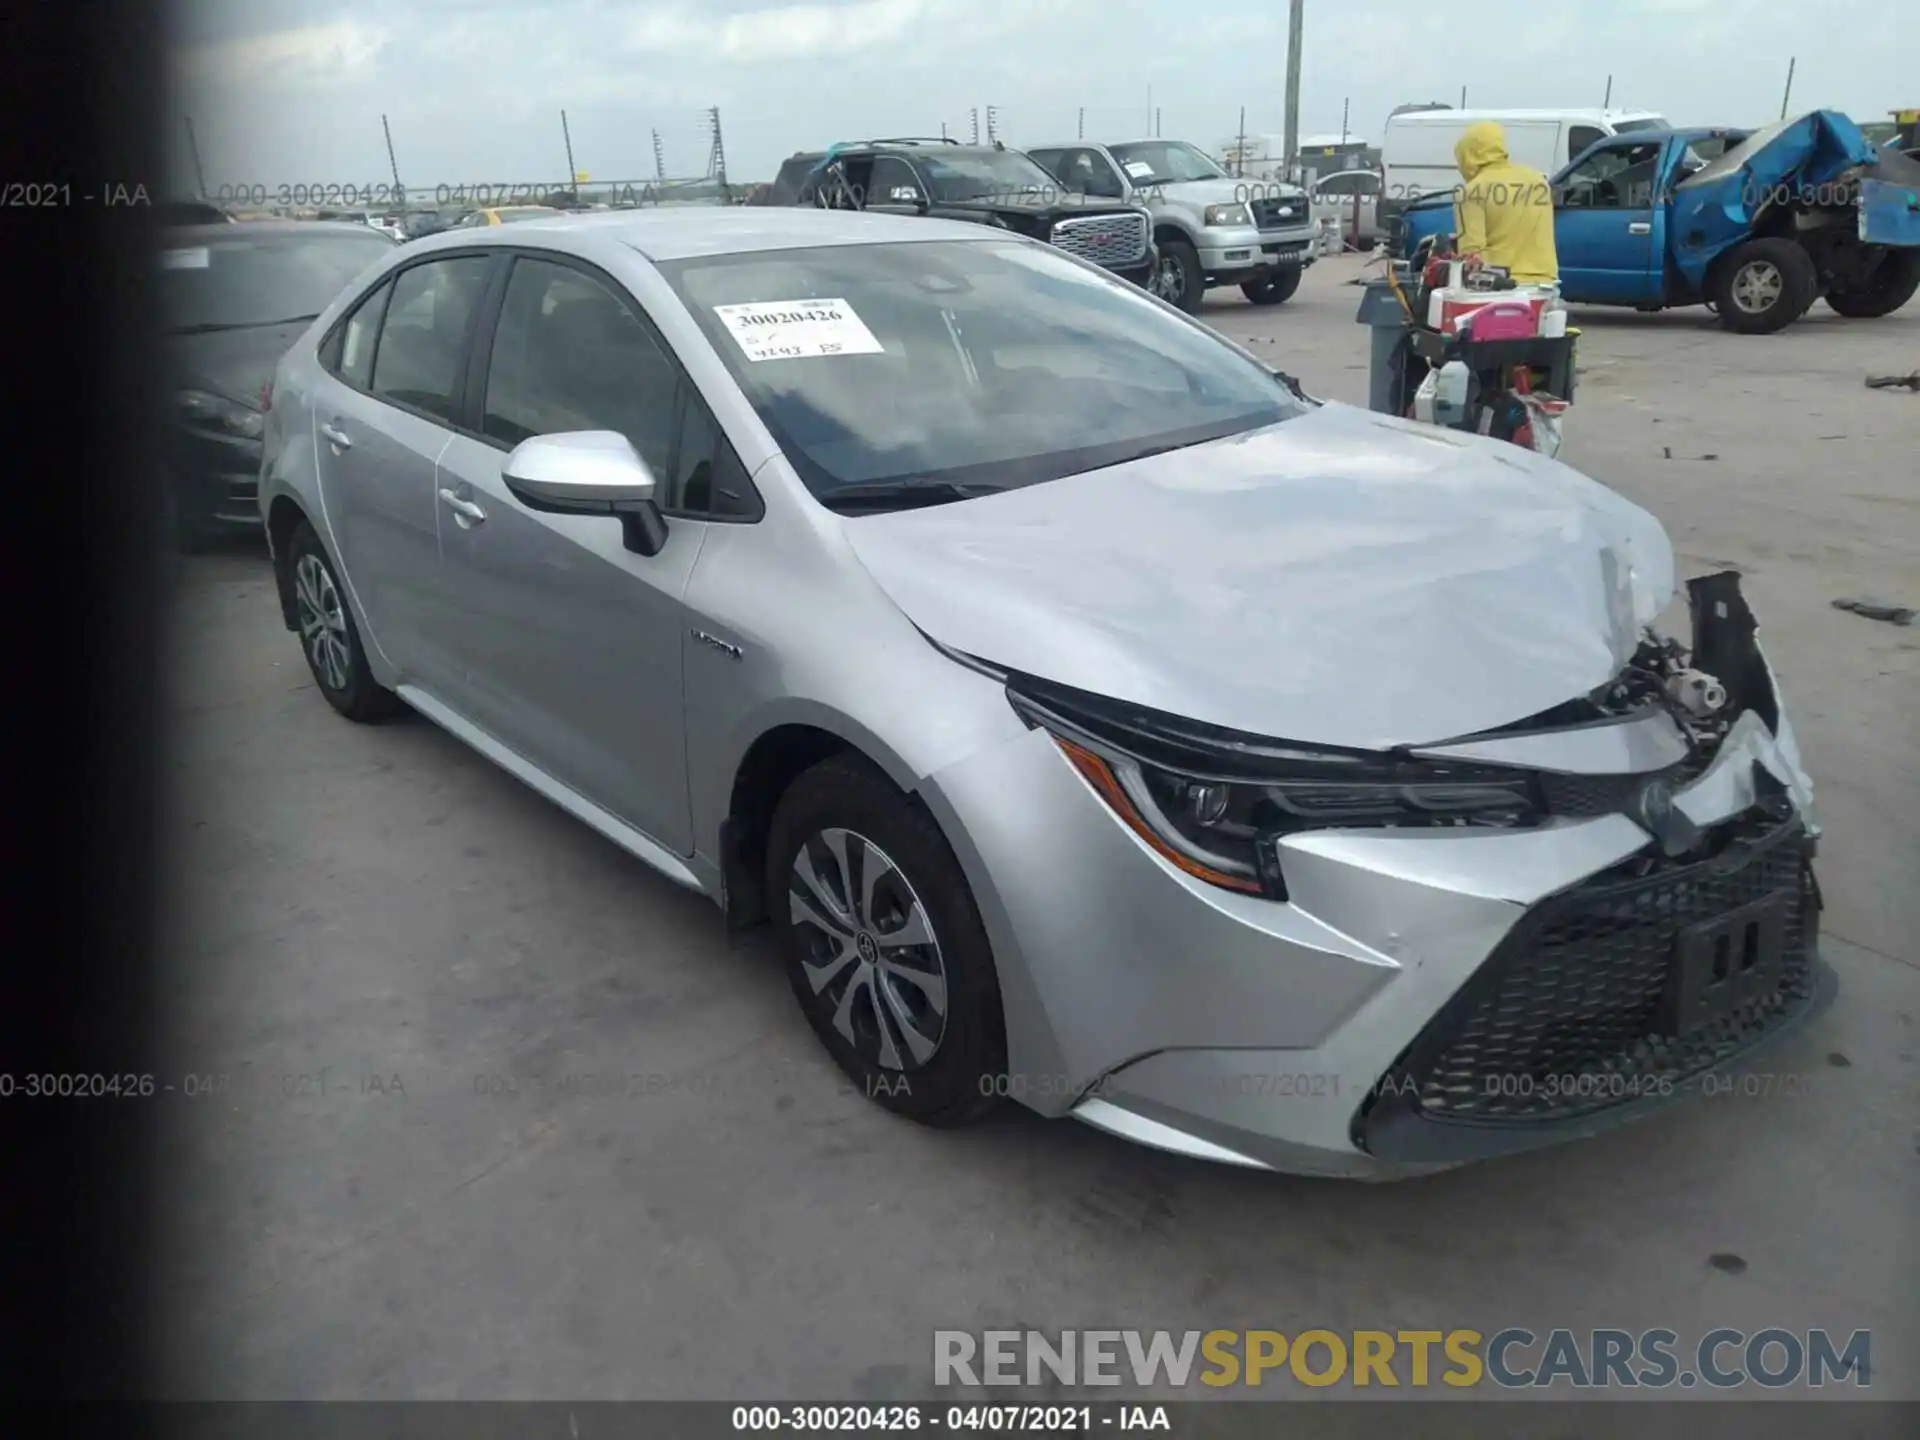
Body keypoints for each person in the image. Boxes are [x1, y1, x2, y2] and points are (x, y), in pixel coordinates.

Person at [1451, 121, 1558, 285]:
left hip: (1502, 286)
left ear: (1468, 155)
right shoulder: (1537, 181)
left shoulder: (1470, 192)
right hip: (1545, 283)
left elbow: (1472, 257)